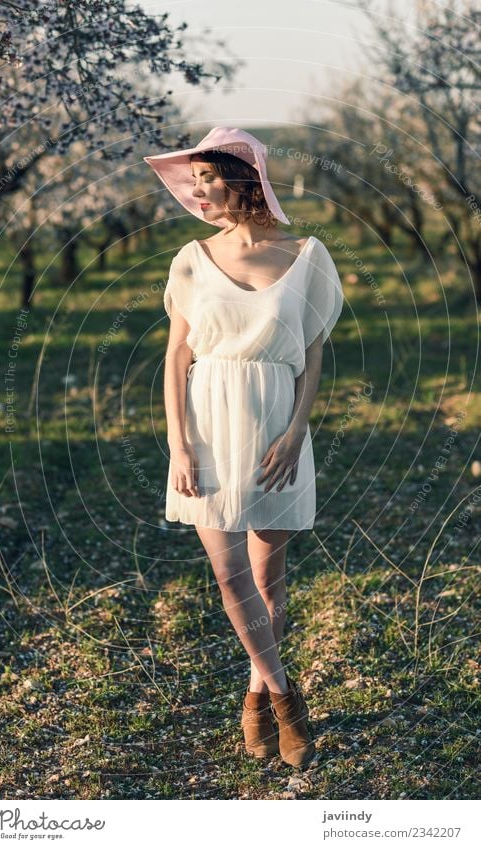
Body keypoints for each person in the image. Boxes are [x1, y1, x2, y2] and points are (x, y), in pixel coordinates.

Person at [144, 127, 344, 768]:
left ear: (245, 179)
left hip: (276, 422)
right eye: (193, 182)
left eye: (208, 179)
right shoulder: (192, 259)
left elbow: (312, 358)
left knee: (267, 576)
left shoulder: (308, 254)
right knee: (231, 576)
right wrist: (178, 445)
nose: (197, 193)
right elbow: (177, 356)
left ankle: (255, 692)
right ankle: (286, 697)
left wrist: (296, 432)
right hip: (207, 421)